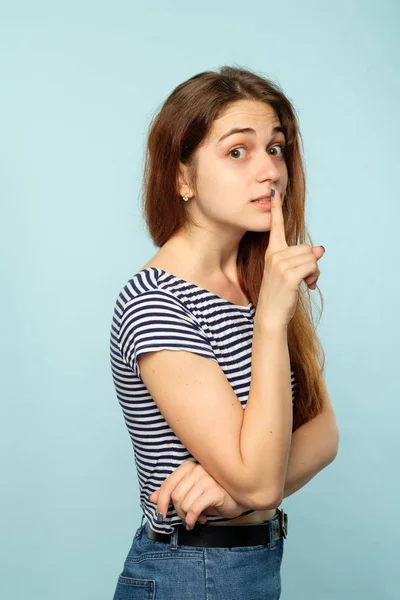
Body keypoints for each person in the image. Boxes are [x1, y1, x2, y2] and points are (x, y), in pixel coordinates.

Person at [109, 65, 339, 599]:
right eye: (238, 151)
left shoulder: (263, 278)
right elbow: (261, 480)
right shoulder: (156, 302)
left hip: (252, 566)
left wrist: (232, 493)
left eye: (275, 148)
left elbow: (323, 434)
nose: (270, 171)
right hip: (192, 574)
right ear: (182, 177)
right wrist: (250, 487)